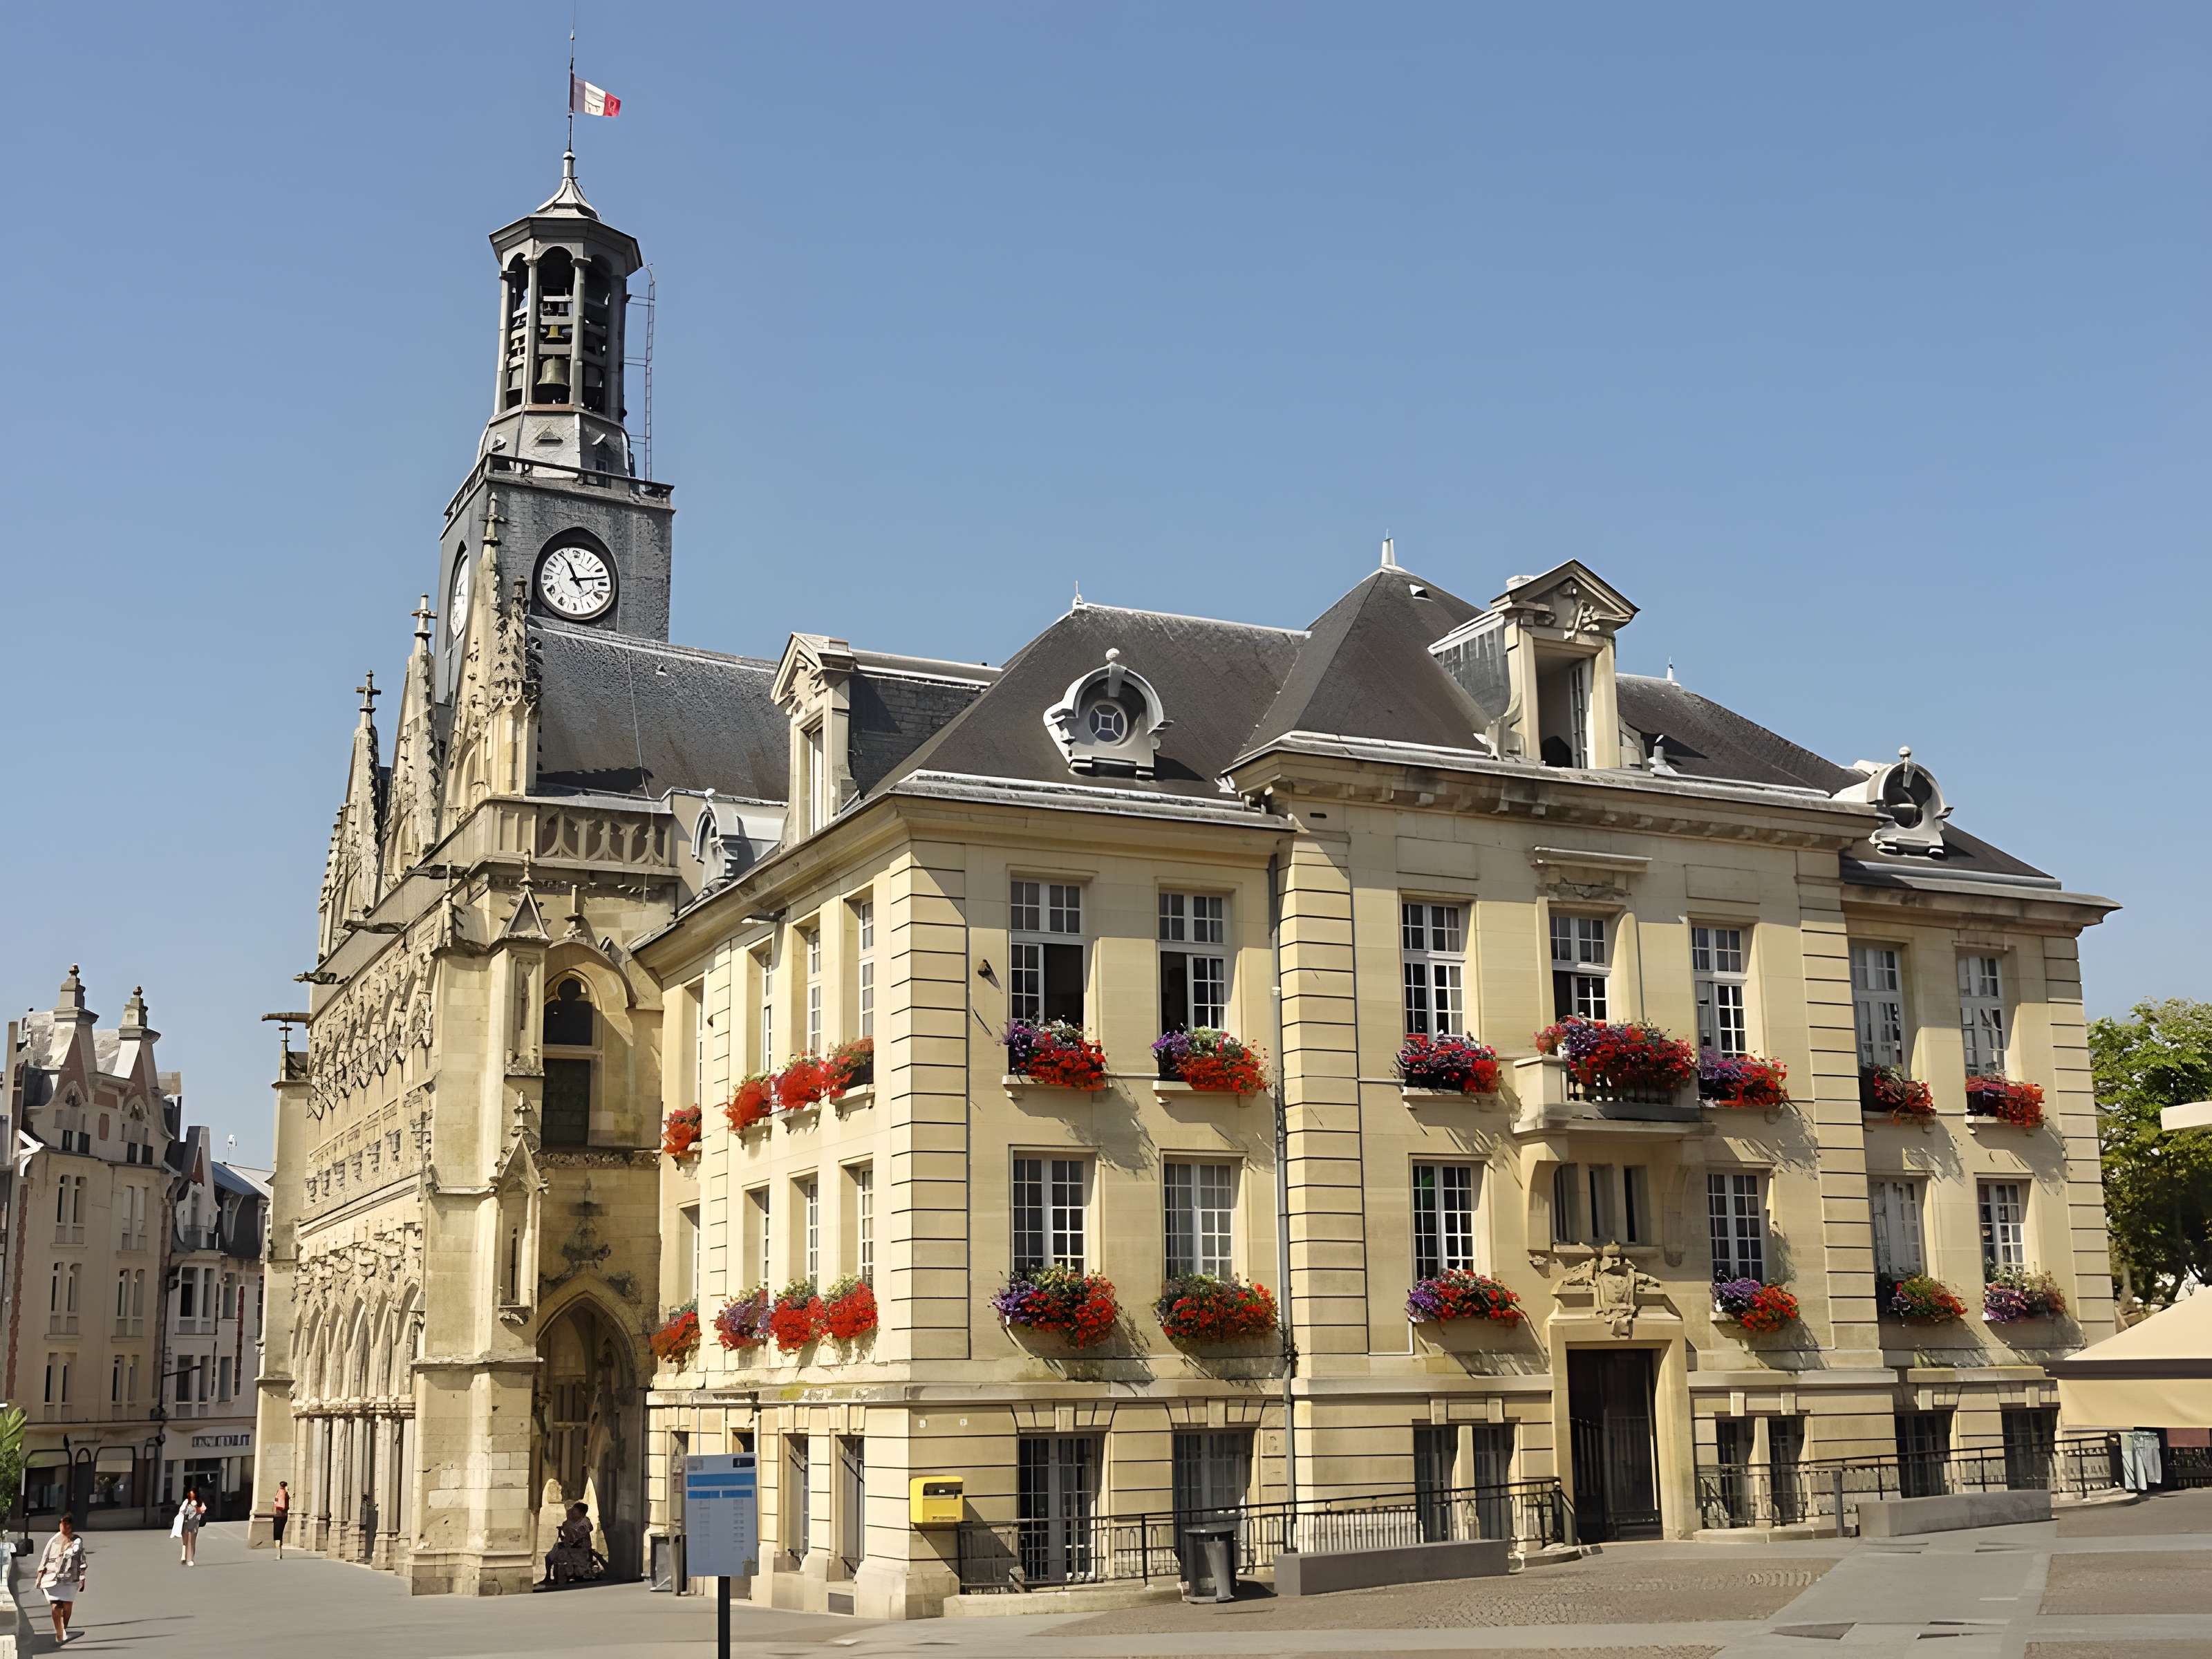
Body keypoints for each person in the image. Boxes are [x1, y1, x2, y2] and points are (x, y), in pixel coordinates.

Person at [35, 1514, 88, 1645]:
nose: (65, 1526)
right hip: (53, 1577)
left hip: (71, 1578)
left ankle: (63, 1628)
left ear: (71, 1526)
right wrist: (39, 1577)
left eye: (67, 1524)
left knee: (67, 1606)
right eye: (62, 1524)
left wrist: (82, 1577)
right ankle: (60, 1634)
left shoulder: (77, 1541)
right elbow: (45, 1558)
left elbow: (82, 1560)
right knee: (56, 1606)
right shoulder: (53, 1540)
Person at [543, 1501, 604, 1585]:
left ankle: (564, 1577)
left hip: (580, 1551)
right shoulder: (572, 1522)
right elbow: (568, 1537)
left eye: (575, 1511)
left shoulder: (585, 1522)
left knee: (561, 1555)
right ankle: (548, 1576)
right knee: (550, 1556)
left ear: (581, 1513)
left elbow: (579, 1537)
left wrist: (570, 1542)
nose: (573, 1513)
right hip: (571, 1548)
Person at [174, 1487, 207, 1566]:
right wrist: (185, 1509)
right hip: (186, 1524)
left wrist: (197, 1508)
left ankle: (191, 1559)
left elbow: (203, 1510)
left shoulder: (200, 1502)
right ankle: (184, 1557)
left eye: (193, 1494)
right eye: (190, 1495)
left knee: (192, 1542)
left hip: (195, 1524)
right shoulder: (186, 1502)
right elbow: (182, 1512)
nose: (191, 1496)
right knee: (185, 1542)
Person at [271, 1481, 291, 1559]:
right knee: (279, 1535)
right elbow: (283, 1506)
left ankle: (279, 1554)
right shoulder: (285, 1494)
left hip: (277, 1516)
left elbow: (276, 1504)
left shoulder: (278, 1492)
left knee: (277, 1536)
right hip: (282, 1516)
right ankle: (279, 1553)